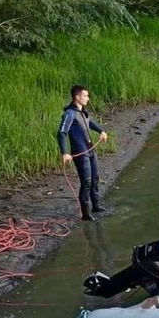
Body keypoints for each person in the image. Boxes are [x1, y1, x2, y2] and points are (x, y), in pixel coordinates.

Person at [57, 85, 108, 221]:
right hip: (80, 152)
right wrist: (65, 153)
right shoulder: (70, 114)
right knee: (86, 182)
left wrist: (101, 131)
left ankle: (96, 206)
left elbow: (89, 122)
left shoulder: (82, 112)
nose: (88, 98)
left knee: (95, 179)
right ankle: (85, 214)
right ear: (77, 97)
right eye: (85, 96)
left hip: (91, 150)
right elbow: (62, 133)